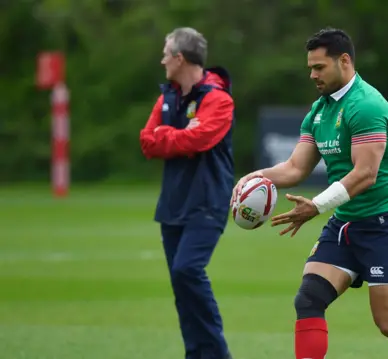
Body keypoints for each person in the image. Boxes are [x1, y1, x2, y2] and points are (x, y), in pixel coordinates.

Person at [232, 27, 388, 359]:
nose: (312, 74)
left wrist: (316, 206)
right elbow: (295, 168)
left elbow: (365, 174)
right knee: (308, 299)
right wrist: (253, 178)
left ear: (344, 61)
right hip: (346, 226)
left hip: (385, 227)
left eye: (319, 67)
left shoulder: (366, 105)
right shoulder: (320, 111)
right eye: (310, 67)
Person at [140, 27, 234, 359]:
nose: (162, 59)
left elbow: (201, 140)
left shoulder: (218, 99)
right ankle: (198, 354)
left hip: (208, 201)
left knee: (187, 270)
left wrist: (170, 137)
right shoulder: (167, 96)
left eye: (166, 53)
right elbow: (147, 141)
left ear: (180, 58)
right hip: (173, 203)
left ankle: (216, 353)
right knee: (181, 287)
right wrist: (176, 134)